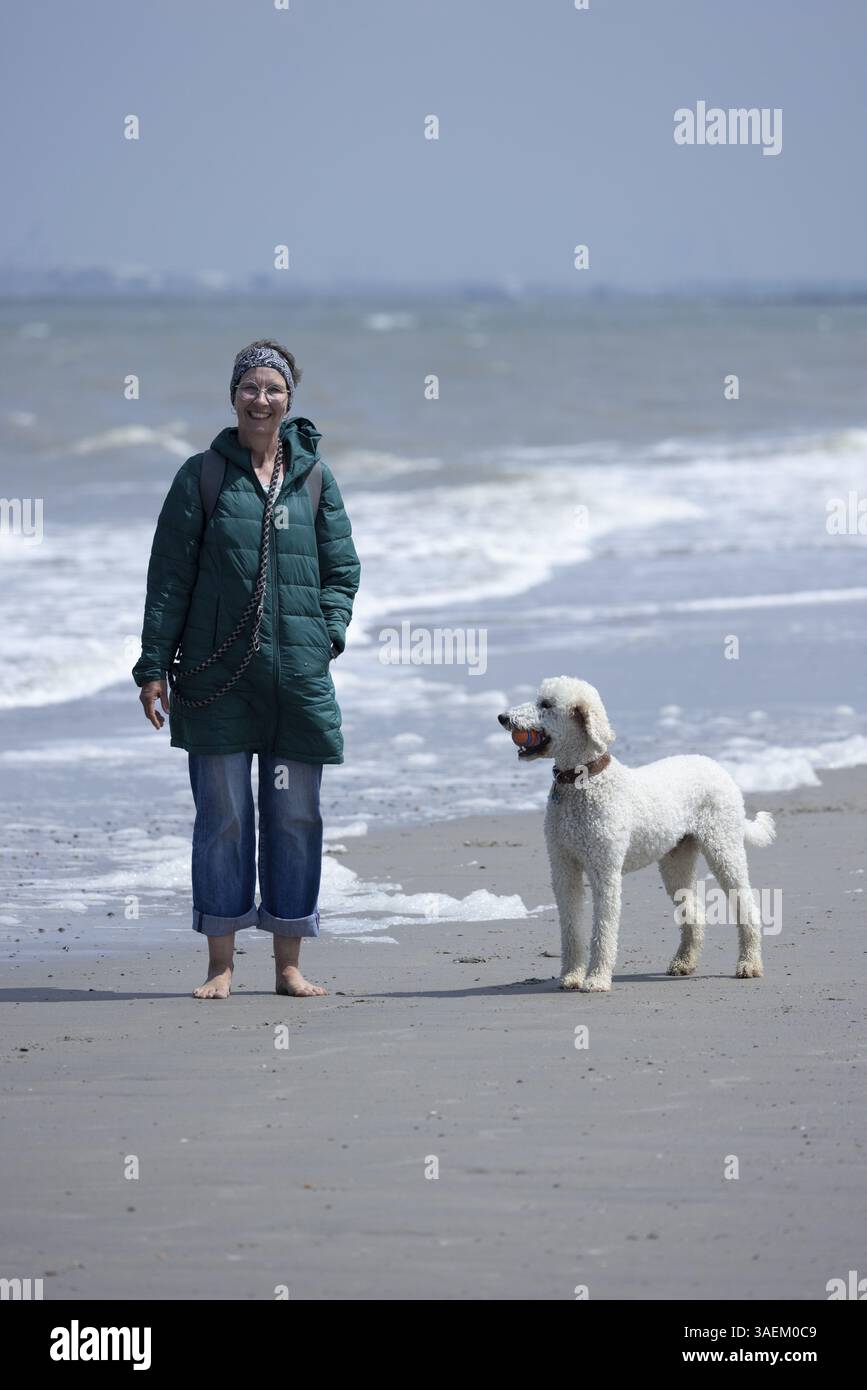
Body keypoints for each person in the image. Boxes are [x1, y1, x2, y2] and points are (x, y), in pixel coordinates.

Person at [132, 340, 361, 999]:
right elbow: (168, 582)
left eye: (274, 389)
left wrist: (327, 634)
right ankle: (220, 965)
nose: (261, 399)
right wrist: (154, 668)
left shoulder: (315, 478)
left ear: (291, 399)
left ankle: (289, 963)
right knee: (223, 818)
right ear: (232, 395)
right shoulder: (201, 476)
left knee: (295, 816)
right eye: (250, 388)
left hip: (297, 682)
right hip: (213, 679)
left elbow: (341, 571)